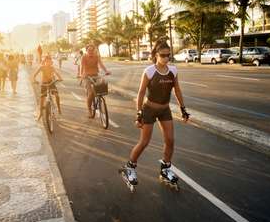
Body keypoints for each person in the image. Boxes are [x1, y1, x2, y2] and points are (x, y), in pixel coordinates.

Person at [120, 40, 190, 188]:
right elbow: (140, 93)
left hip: (165, 110)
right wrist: (138, 114)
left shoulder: (173, 71)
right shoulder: (149, 71)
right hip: (149, 109)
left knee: (170, 140)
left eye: (168, 55)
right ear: (156, 55)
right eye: (163, 55)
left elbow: (177, 90)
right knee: (144, 142)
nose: (166, 58)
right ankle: (130, 167)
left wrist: (183, 109)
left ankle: (165, 169)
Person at [79, 44, 110, 118]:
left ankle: (99, 100)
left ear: (94, 50)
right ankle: (90, 110)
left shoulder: (96, 56)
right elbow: (82, 66)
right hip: (87, 77)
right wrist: (81, 74)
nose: (91, 51)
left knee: (101, 86)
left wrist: (106, 71)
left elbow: (101, 64)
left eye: (92, 50)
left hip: (96, 75)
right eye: (89, 50)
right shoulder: (84, 57)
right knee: (90, 93)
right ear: (86, 51)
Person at [32, 54, 62, 119]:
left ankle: (59, 108)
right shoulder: (42, 67)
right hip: (44, 84)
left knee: (57, 95)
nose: (48, 63)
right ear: (45, 61)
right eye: (47, 61)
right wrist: (35, 80)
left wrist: (60, 78)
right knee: (42, 100)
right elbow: (34, 75)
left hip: (51, 83)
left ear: (51, 62)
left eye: (49, 61)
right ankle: (40, 114)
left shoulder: (52, 68)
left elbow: (57, 73)